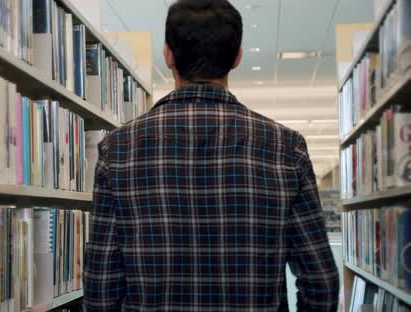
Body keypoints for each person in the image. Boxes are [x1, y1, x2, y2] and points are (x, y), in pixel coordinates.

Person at [83, 0, 340, 311]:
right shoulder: (287, 148)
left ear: (168, 54)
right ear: (236, 58)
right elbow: (321, 281)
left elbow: (101, 285)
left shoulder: (118, 149)